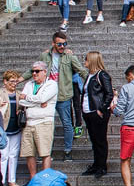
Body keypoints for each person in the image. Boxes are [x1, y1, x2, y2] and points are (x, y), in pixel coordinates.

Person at [24, 32, 87, 161]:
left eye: (64, 44)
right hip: (46, 95)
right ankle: (45, 153)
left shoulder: (69, 56)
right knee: (45, 124)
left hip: (63, 95)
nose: (62, 46)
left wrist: (96, 82)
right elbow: (34, 70)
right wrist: (19, 79)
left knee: (67, 124)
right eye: (59, 44)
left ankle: (68, 151)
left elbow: (81, 71)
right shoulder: (45, 55)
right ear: (53, 43)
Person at [18, 62, 58, 177]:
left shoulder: (51, 84)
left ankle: (44, 180)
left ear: (45, 72)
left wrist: (28, 98)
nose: (34, 73)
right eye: (32, 71)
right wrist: (37, 102)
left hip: (44, 121)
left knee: (45, 152)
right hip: (28, 122)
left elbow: (42, 98)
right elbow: (21, 101)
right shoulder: (29, 84)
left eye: (37, 71)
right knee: (29, 153)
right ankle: (33, 179)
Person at [81, 51, 113, 176]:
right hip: (88, 112)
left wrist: (101, 109)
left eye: (86, 59)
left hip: (97, 112)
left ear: (92, 61)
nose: (85, 62)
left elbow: (109, 93)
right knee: (94, 140)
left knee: (100, 140)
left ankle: (102, 166)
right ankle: (96, 164)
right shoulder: (89, 75)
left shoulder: (102, 75)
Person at [1, 70, 23, 186]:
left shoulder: (19, 94)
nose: (14, 84)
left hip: (16, 128)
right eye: (11, 81)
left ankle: (12, 180)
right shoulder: (1, 93)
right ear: (5, 81)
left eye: (15, 81)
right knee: (4, 155)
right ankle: (2, 180)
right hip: (4, 128)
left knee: (13, 154)